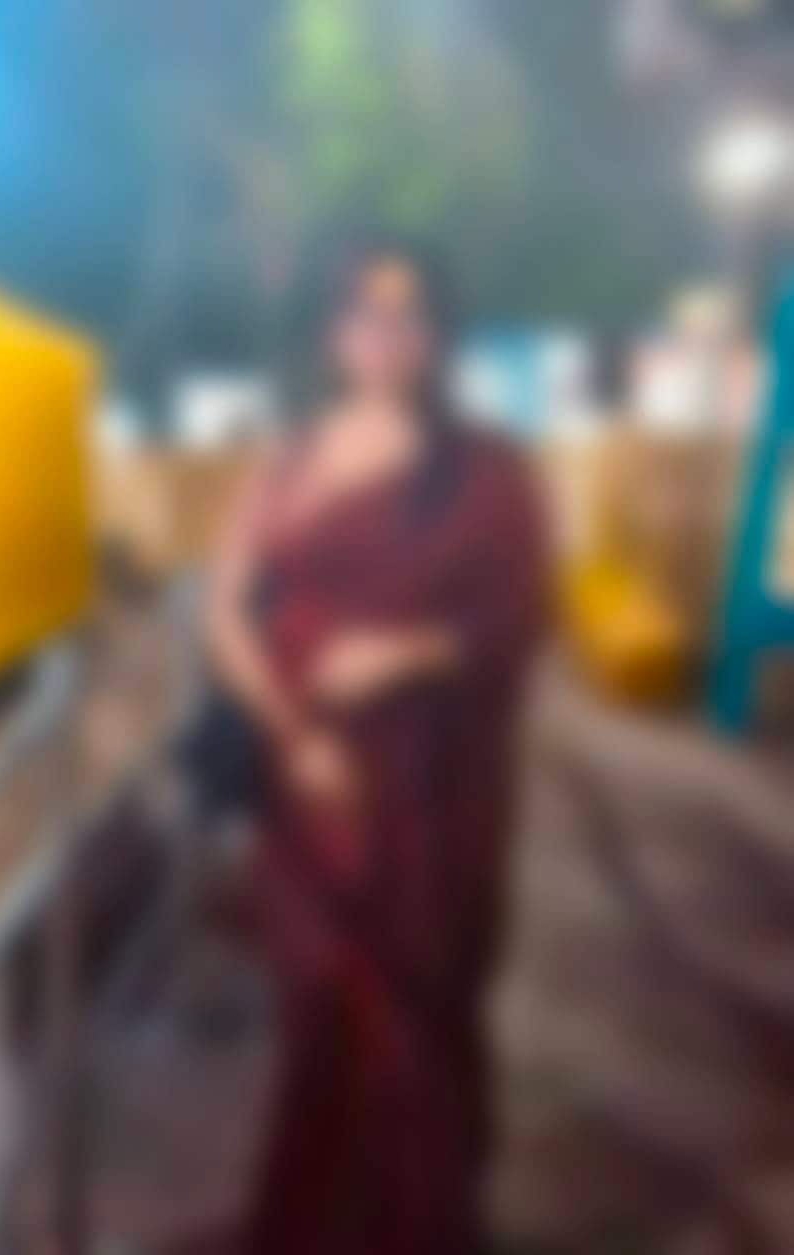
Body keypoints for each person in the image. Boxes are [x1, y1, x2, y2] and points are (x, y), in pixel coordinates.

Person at [206, 233, 546, 1255]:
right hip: (304, 781)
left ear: (436, 336)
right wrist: (293, 735)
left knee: (409, 1016)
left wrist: (407, 650)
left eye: (406, 319)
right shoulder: (285, 458)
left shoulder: (489, 472)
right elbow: (224, 611)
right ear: (332, 333)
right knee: (317, 1004)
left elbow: (522, 619)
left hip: (427, 794)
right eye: (361, 318)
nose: (382, 337)